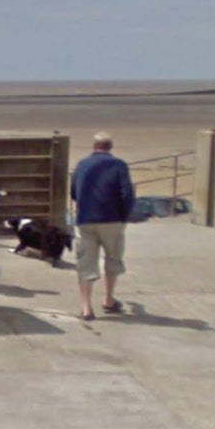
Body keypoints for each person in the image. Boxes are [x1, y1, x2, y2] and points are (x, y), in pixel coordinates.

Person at [70, 132, 135, 321]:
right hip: (112, 220)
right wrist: (124, 217)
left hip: (86, 219)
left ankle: (86, 308)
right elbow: (127, 194)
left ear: (94, 146)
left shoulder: (82, 165)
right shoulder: (119, 165)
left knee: (85, 263)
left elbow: (74, 192)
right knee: (113, 259)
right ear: (110, 147)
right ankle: (108, 299)